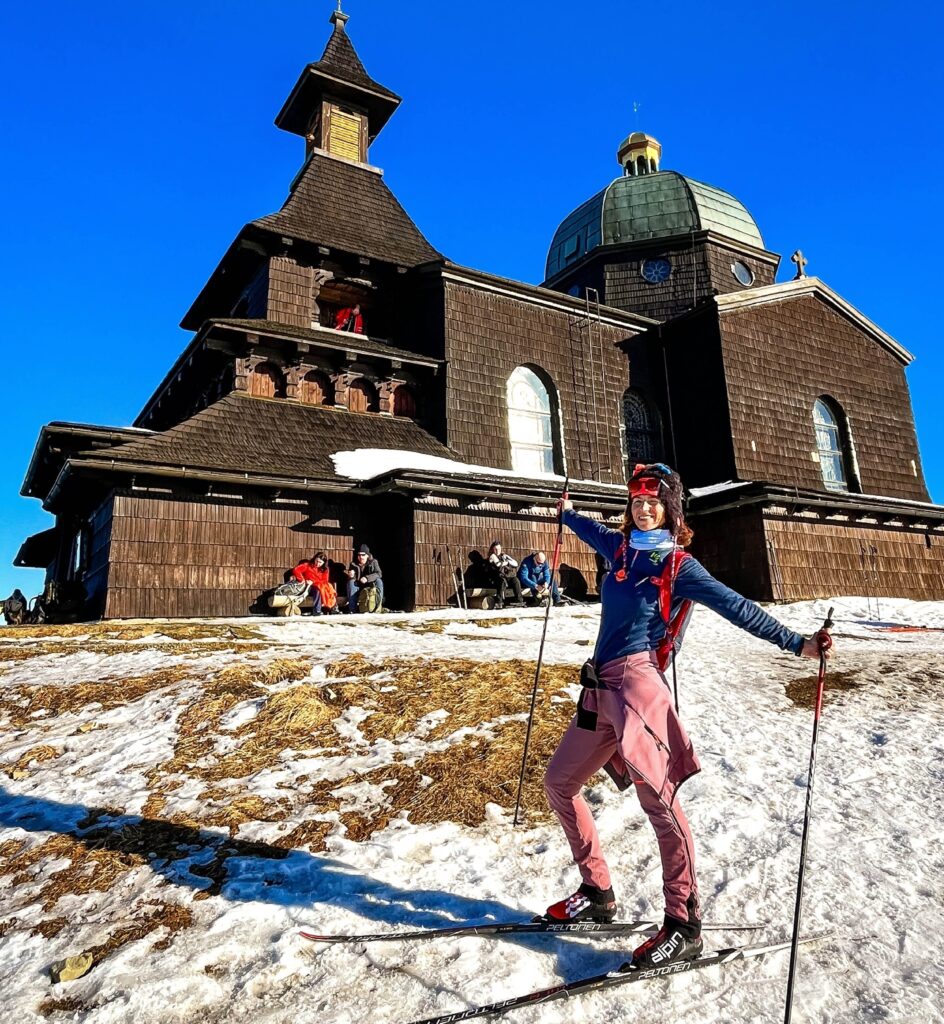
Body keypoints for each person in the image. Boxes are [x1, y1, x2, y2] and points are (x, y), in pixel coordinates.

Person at [541, 462, 832, 970]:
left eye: (654, 501)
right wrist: (568, 514)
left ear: (670, 509)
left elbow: (738, 607)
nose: (643, 508)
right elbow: (592, 530)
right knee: (559, 782)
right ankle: (597, 891)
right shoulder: (623, 550)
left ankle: (683, 923)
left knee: (663, 807)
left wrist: (799, 644)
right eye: (637, 501)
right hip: (599, 689)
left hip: (637, 689)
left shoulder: (677, 566)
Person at [345, 544, 383, 612]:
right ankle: (353, 610)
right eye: (359, 555)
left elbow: (379, 573)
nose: (361, 557)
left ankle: (377, 607)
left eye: (363, 555)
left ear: (367, 555)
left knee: (379, 581)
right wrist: (351, 576)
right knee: (350, 583)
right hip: (358, 586)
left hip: (370, 586)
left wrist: (367, 578)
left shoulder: (373, 562)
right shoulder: (353, 564)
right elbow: (352, 578)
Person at [486, 541, 524, 609]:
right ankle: (499, 602)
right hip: (495, 578)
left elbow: (515, 563)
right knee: (501, 581)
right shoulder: (492, 556)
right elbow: (498, 565)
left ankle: (519, 600)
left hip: (506, 576)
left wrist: (507, 560)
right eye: (495, 549)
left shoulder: (504, 555)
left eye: (499, 549)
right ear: (492, 549)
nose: (497, 551)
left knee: (515, 580)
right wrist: (506, 563)